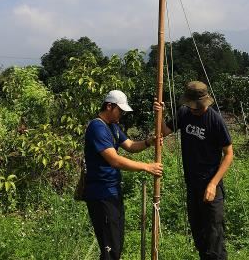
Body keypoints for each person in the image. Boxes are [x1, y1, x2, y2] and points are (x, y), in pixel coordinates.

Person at [154, 81, 233, 260]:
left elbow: (228, 154)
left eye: (197, 107)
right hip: (192, 185)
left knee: (214, 238)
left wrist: (213, 184)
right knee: (199, 235)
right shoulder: (184, 113)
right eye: (192, 107)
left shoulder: (215, 120)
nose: (194, 110)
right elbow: (164, 131)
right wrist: (159, 114)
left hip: (211, 186)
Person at [85, 89, 163, 260]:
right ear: (109, 106)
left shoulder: (112, 127)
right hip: (101, 194)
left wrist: (150, 141)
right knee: (110, 249)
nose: (122, 114)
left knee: (116, 245)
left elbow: (131, 146)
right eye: (120, 110)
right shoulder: (97, 127)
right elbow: (115, 160)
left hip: (113, 192)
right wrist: (146, 167)